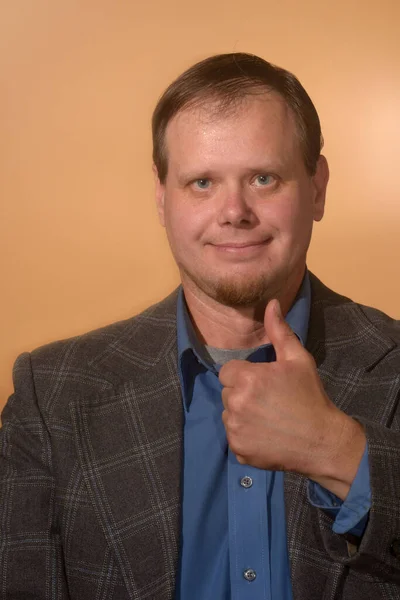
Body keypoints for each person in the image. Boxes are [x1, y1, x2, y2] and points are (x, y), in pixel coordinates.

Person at [1, 52, 400, 600]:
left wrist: (337, 450)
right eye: (202, 183)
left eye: (264, 178)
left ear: (318, 187)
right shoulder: (53, 397)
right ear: (162, 198)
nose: (234, 211)